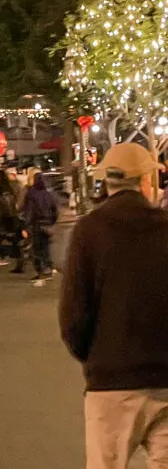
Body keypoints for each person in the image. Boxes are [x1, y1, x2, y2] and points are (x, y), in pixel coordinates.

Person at [60, 143, 168, 469]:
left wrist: (96, 354)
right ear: (146, 181)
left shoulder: (89, 231)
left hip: (111, 379)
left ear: (106, 183)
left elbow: (73, 316)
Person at [22, 171, 58, 284]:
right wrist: (52, 222)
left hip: (36, 224)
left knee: (36, 249)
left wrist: (26, 226)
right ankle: (48, 268)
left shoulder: (32, 194)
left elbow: (29, 211)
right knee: (46, 248)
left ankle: (40, 271)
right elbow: (55, 210)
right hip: (47, 225)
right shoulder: (48, 194)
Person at [0, 167, 25, 274]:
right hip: (13, 218)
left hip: (3, 219)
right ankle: (20, 264)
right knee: (16, 242)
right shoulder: (11, 190)